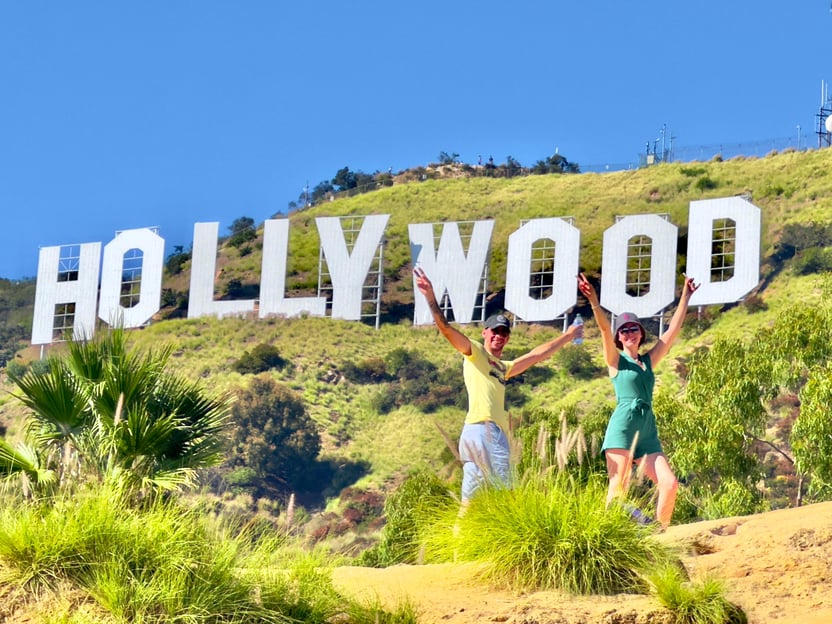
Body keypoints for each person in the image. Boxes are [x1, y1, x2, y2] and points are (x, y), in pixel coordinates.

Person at [414, 267, 582, 504]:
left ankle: (460, 537)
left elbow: (536, 355)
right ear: (485, 332)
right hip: (484, 430)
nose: (499, 336)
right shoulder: (474, 352)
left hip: (485, 433)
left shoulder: (504, 367)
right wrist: (430, 297)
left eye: (504, 332)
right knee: (508, 496)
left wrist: (568, 336)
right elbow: (446, 329)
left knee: (470, 503)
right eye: (495, 331)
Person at [577, 272, 699, 529]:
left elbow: (673, 331)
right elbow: (602, 328)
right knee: (617, 488)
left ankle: (660, 533)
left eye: (633, 328)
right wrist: (593, 301)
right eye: (623, 330)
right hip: (623, 425)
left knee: (670, 483)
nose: (629, 333)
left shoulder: (648, 361)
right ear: (619, 338)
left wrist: (685, 297)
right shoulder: (616, 361)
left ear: (641, 333)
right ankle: (612, 534)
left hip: (646, 429)